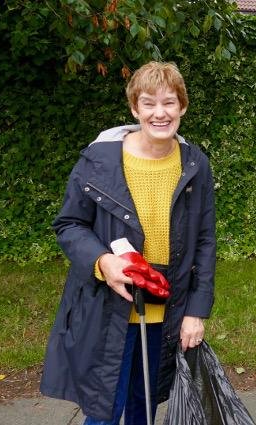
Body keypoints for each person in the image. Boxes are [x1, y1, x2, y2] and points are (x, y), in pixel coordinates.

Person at [40, 61, 216, 425]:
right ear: (135, 109)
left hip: (166, 310)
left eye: (169, 103)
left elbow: (204, 241)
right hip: (109, 308)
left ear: (182, 107)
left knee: (145, 407)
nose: (160, 113)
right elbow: (69, 224)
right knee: (105, 409)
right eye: (149, 103)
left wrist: (196, 312)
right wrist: (103, 262)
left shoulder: (195, 164)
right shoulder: (98, 160)